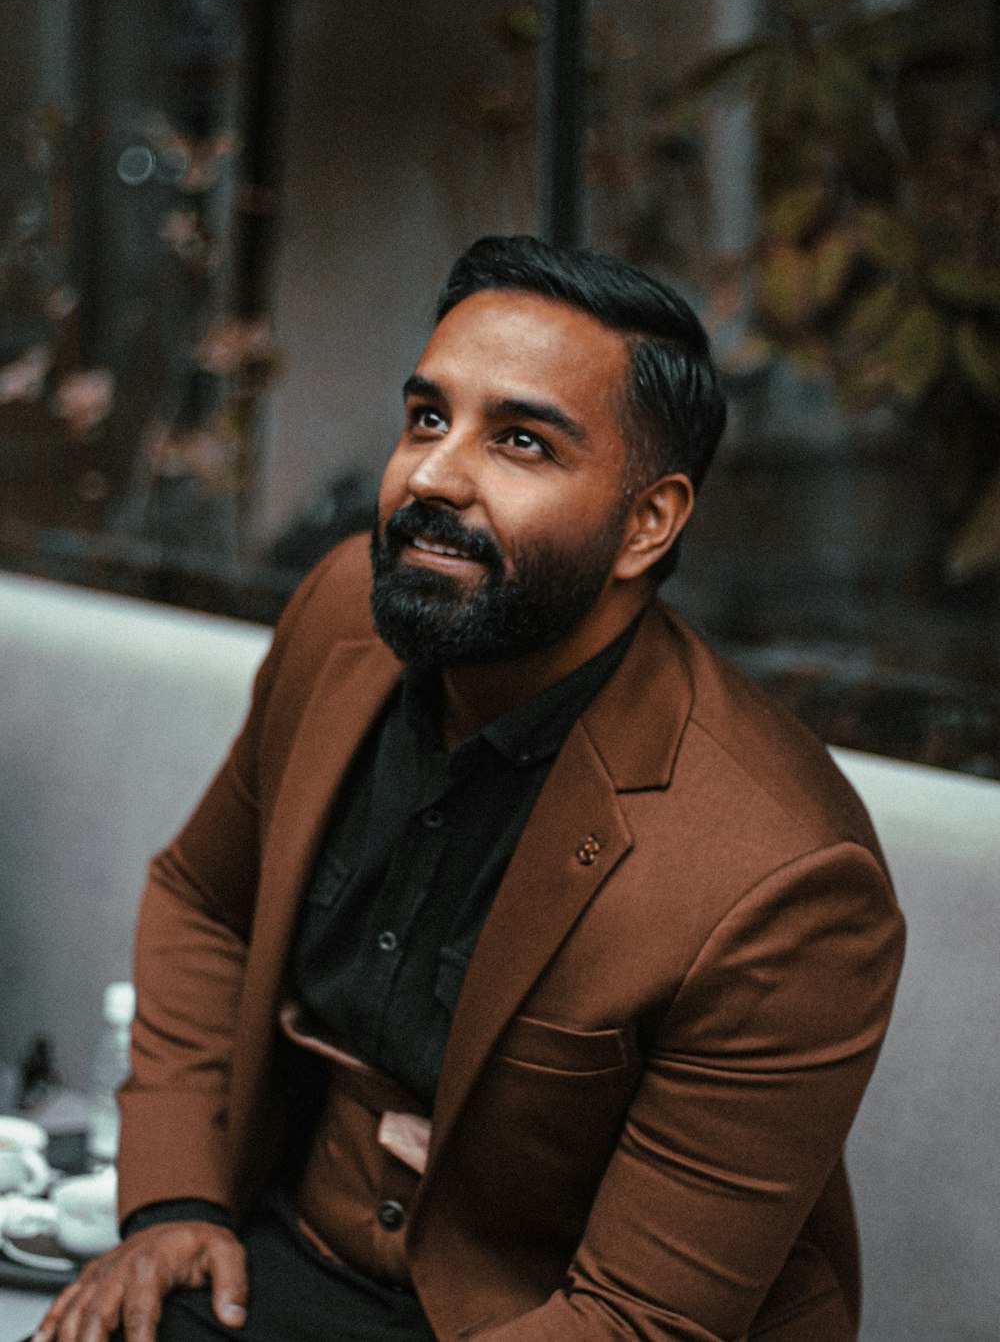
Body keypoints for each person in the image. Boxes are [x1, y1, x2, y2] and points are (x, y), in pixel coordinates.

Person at [36, 236, 904, 1342]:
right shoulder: (342, 614)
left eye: (523, 442)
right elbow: (206, 901)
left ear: (647, 524)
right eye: (427, 418)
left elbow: (640, 1321)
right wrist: (173, 1202)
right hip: (281, 1252)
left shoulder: (784, 875)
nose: (434, 476)